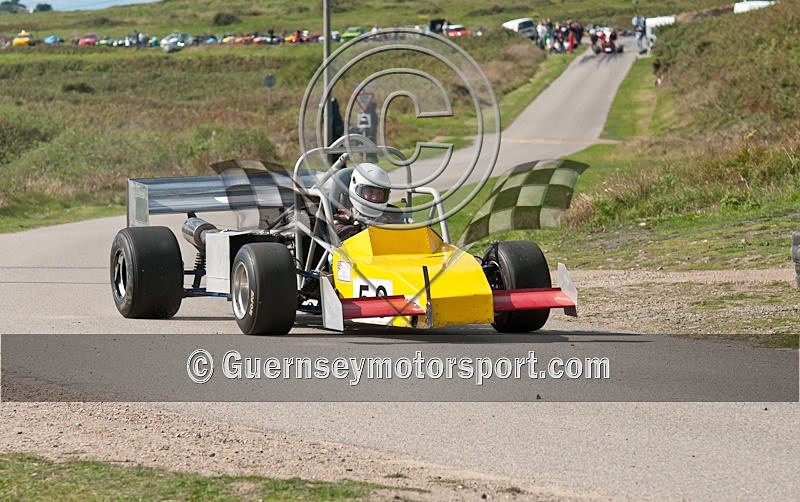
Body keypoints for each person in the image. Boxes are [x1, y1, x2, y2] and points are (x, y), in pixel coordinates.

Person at [333, 163, 392, 240]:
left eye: (379, 193)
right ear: (355, 189)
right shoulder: (344, 218)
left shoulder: (391, 216)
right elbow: (339, 233)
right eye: (370, 191)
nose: (375, 197)